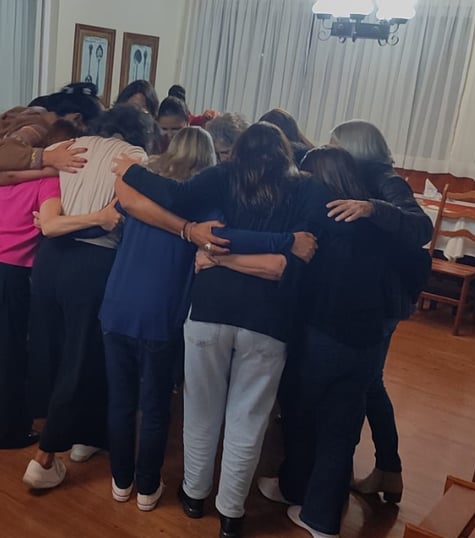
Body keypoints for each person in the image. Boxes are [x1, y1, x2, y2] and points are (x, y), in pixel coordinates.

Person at [111, 122, 319, 538]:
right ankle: (231, 514)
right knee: (248, 419)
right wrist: (283, 241)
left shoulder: (223, 174)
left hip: (210, 308)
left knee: (200, 410)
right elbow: (299, 253)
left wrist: (131, 170)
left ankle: (193, 496)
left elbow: (174, 196)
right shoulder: (305, 188)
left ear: (237, 151)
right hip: (269, 319)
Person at [247, 146, 406, 538]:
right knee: (340, 430)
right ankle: (321, 518)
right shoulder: (376, 221)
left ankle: (293, 488)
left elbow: (294, 282)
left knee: (301, 419)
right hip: (367, 340)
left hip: (320, 336)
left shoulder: (316, 223)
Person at [21, 104, 155, 489]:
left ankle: (86, 436)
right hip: (94, 263)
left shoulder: (71, 145)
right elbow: (122, 213)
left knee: (54, 351)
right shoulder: (134, 156)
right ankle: (45, 457)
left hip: (50, 259)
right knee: (82, 356)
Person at [100, 126, 217, 512]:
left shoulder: (144, 186)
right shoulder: (205, 202)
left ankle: (121, 481)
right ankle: (148, 487)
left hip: (118, 303)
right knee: (154, 405)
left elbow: (115, 216)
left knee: (120, 399)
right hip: (162, 311)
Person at [325, 120, 433, 504]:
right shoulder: (358, 175)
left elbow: (421, 227)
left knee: (365, 382)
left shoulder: (388, 181)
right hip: (373, 295)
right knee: (370, 382)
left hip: (384, 298)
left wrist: (372, 209)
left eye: (335, 145)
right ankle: (387, 469)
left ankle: (356, 473)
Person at [0, 120, 82, 449]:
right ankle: (8, 432)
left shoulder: (10, 171)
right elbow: (50, 223)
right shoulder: (50, 182)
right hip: (7, 269)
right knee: (10, 353)